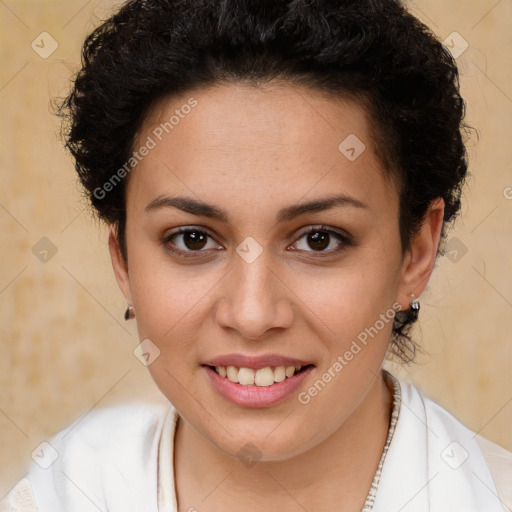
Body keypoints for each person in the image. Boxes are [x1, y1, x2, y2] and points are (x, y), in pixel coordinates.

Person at [2, 0, 511, 511]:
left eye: (318, 239)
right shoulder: (57, 494)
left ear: (416, 254)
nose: (252, 315)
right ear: (124, 261)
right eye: (193, 240)